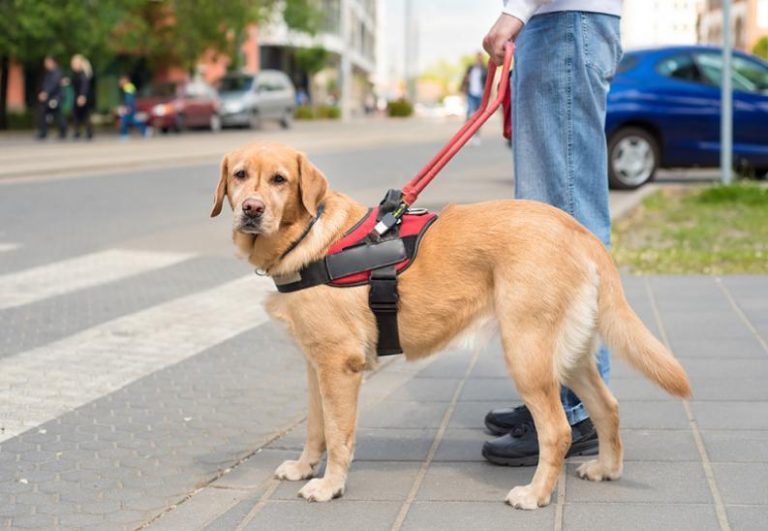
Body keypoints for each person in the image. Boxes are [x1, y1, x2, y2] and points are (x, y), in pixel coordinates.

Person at [480, 0, 623, 466]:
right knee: (547, 222)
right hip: (560, 25)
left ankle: (573, 411)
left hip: (564, 23)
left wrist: (517, 10)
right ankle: (556, 395)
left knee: (563, 223)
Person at [36, 56, 67, 140]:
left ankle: (61, 131)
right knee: (48, 113)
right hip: (51, 97)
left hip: (55, 98)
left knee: (56, 113)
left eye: (47, 62)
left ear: (53, 62)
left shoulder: (56, 72)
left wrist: (45, 93)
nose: (45, 64)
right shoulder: (50, 73)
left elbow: (53, 84)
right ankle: (45, 132)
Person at [460, 52, 488, 145]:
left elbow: (488, 82)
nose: (478, 59)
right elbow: (464, 79)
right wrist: (463, 91)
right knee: (470, 115)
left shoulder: (484, 69)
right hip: (471, 94)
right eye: (477, 58)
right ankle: (467, 136)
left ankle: (476, 136)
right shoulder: (471, 68)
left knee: (478, 117)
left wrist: (489, 96)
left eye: (480, 58)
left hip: (480, 95)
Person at [71, 54, 94, 140]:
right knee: (79, 114)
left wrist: (82, 96)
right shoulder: (77, 74)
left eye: (74, 63)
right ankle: (80, 132)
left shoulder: (83, 74)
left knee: (83, 115)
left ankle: (86, 132)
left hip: (82, 97)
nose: (73, 65)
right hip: (79, 96)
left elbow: (85, 86)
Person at [117, 75, 147, 139]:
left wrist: (128, 107)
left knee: (125, 120)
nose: (119, 82)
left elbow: (130, 99)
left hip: (130, 107)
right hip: (131, 107)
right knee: (132, 120)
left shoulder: (128, 87)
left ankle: (124, 135)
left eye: (121, 81)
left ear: (125, 80)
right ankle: (145, 130)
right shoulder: (128, 87)